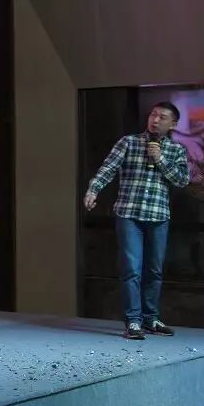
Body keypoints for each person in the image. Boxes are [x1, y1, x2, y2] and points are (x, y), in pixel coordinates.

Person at [84, 102, 191, 339]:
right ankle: (133, 322)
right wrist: (94, 190)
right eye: (153, 114)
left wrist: (160, 159)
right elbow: (107, 169)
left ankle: (151, 318)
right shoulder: (129, 142)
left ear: (173, 124)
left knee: (154, 271)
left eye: (162, 117)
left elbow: (183, 180)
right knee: (131, 269)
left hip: (158, 216)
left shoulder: (176, 150)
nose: (155, 120)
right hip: (129, 214)